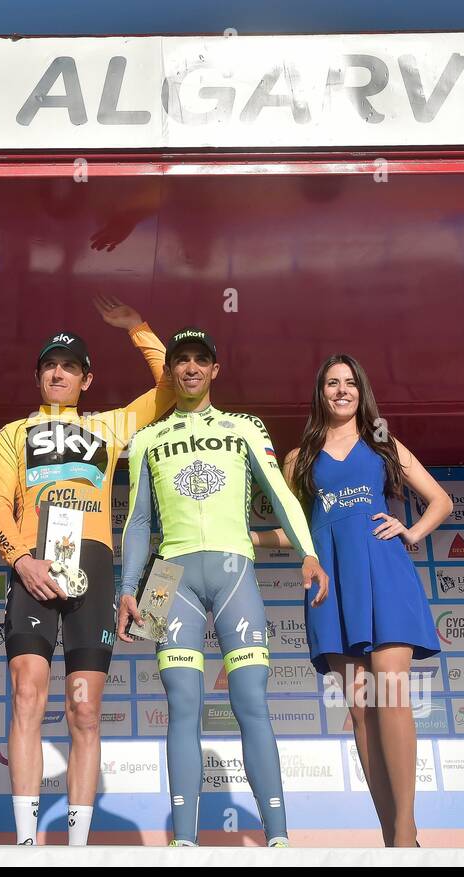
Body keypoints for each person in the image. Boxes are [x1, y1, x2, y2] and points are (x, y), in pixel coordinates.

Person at [118, 328, 329, 847]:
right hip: (168, 578)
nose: (190, 368)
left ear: (216, 369)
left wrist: (309, 552)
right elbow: (138, 521)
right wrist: (128, 588)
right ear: (169, 372)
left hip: (235, 570)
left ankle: (278, 836)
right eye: (181, 361)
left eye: (200, 360)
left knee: (251, 700)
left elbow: (279, 491)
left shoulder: (245, 427)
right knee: (182, 704)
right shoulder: (144, 438)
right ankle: (184, 840)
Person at [0, 296, 175, 846]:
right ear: (39, 376)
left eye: (69, 366)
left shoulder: (109, 428)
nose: (58, 372)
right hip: (33, 565)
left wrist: (138, 327)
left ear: (86, 379)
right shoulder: (13, 433)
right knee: (27, 692)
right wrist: (22, 560)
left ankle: (77, 846)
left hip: (90, 562)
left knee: (85, 708)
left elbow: (171, 387)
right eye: (50, 365)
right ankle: (24, 840)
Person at [261, 354, 449, 847]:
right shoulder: (298, 458)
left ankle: (407, 833)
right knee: (362, 708)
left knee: (392, 693)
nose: (342, 390)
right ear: (320, 393)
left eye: (349, 383)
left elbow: (440, 500)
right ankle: (390, 838)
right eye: (332, 383)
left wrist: (411, 531)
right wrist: (247, 541)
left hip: (384, 575)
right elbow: (295, 531)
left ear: (361, 391)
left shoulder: (382, 443)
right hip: (332, 583)